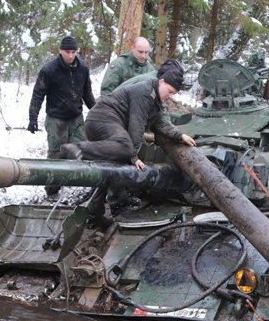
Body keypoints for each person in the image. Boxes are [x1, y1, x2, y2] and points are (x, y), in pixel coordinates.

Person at [58, 59, 196, 228]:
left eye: (173, 94)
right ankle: (76, 148)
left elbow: (159, 124)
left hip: (106, 122)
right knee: (125, 147)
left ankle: (95, 213)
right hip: (103, 118)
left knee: (110, 168)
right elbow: (136, 127)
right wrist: (134, 156)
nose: (170, 96)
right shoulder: (145, 92)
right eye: (170, 91)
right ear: (162, 81)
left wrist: (180, 136)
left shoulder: (155, 100)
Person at [27, 35, 96, 196]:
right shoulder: (49, 70)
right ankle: (52, 189)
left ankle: (83, 183)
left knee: (82, 149)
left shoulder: (83, 68)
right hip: (56, 119)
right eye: (67, 52)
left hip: (76, 117)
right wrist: (33, 118)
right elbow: (38, 94)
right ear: (60, 51)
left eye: (73, 52)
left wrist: (97, 111)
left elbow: (87, 93)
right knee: (56, 155)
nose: (70, 55)